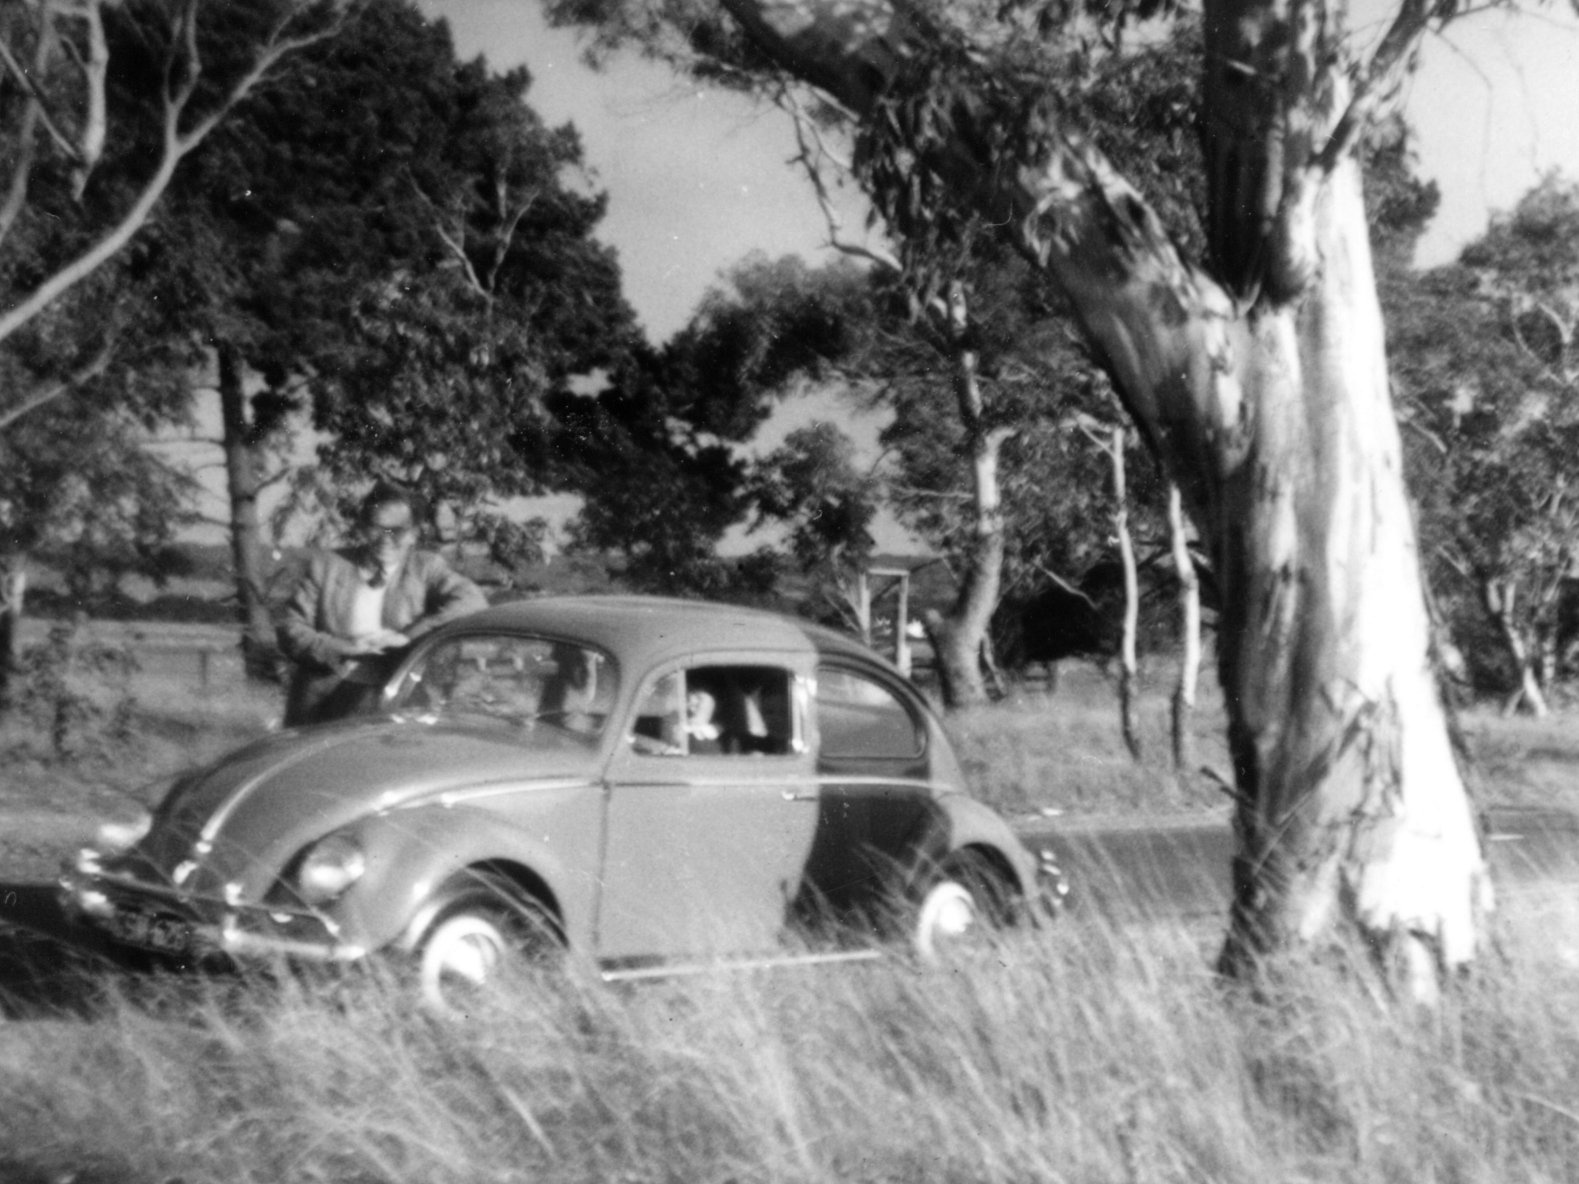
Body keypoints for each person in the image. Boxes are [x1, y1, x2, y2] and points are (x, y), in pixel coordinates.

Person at [277, 483, 487, 727]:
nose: (385, 539)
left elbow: (473, 600)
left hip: (394, 701)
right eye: (375, 528)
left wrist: (407, 637)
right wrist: (344, 647)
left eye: (396, 530)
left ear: (413, 533)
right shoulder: (327, 565)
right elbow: (290, 627)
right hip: (322, 702)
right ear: (363, 528)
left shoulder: (426, 567)